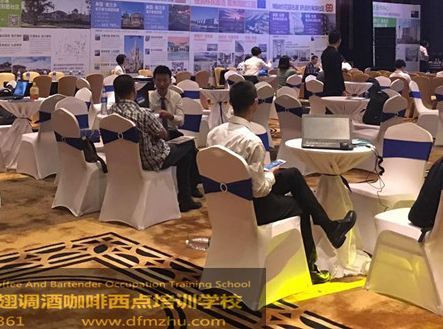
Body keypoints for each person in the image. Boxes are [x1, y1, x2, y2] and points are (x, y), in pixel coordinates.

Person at [206, 81, 357, 284]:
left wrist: (266, 174)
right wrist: (268, 174)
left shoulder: (213, 134)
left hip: (224, 202)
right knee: (300, 206)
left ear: (230, 103)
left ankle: (330, 228)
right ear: (255, 104)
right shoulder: (251, 141)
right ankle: (311, 266)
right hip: (252, 207)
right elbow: (259, 191)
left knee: (292, 174)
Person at [109, 75, 201, 211]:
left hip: (123, 160)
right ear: (134, 90)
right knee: (189, 146)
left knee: (185, 153)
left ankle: (187, 196)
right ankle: (187, 195)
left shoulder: (111, 113)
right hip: (150, 160)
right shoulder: (142, 114)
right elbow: (163, 134)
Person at [149, 65, 183, 135]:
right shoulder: (149, 98)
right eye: (158, 80)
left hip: (172, 132)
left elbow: (181, 122)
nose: (162, 84)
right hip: (155, 133)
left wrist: (170, 116)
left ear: (170, 81)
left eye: (165, 80)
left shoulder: (176, 97)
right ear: (154, 81)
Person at [321, 30, 346, 96]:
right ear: (339, 41)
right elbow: (337, 74)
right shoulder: (336, 54)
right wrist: (342, 89)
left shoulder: (324, 53)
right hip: (335, 88)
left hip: (327, 85)